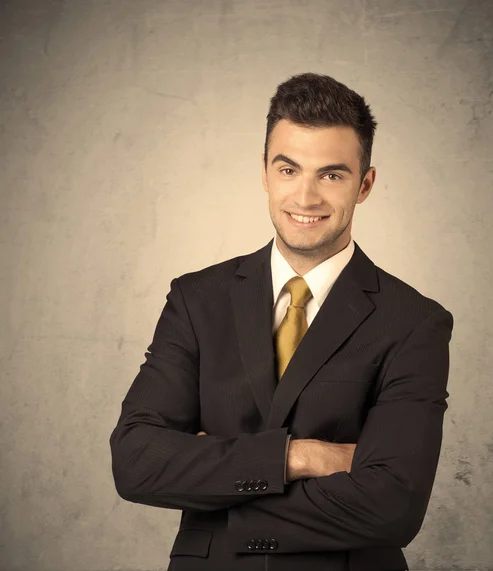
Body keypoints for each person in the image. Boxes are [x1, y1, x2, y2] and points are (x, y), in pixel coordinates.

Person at [109, 72, 453, 571]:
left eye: (331, 175)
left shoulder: (415, 322)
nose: (306, 198)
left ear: (365, 185)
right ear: (265, 174)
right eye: (289, 170)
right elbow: (136, 462)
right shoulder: (196, 299)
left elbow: (394, 505)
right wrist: (301, 457)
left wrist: (216, 484)